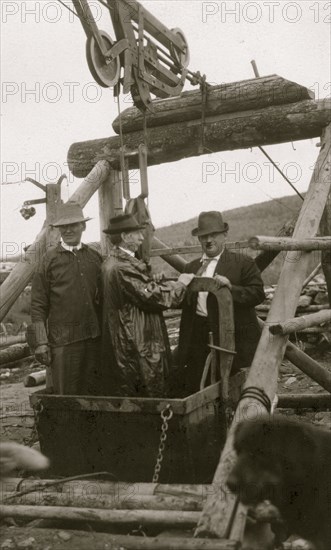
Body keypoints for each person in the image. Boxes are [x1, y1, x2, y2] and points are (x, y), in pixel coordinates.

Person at [102, 213, 194, 397]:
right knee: (149, 390)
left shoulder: (113, 262)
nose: (142, 237)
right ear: (125, 237)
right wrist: (181, 284)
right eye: (137, 233)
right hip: (137, 338)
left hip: (130, 334)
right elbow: (153, 298)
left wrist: (153, 280)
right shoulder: (122, 266)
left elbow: (139, 289)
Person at [177, 211, 265, 395]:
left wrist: (231, 288)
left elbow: (257, 294)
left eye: (213, 235)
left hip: (232, 336)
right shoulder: (191, 267)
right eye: (204, 236)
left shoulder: (242, 263)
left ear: (224, 235)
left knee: (233, 387)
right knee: (200, 385)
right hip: (198, 335)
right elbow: (183, 302)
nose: (208, 240)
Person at [27, 202, 102, 395]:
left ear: (83, 226)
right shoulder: (48, 261)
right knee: (66, 398)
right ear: (58, 229)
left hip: (94, 339)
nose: (68, 230)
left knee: (95, 394)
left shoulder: (94, 257)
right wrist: (42, 342)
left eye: (74, 225)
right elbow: (37, 306)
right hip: (63, 343)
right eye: (63, 227)